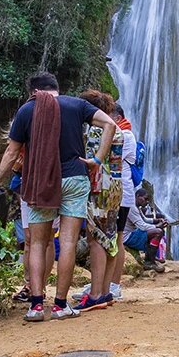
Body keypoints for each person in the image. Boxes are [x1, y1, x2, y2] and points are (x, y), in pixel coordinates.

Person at [0, 71, 117, 322]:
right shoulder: (77, 104)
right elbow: (110, 124)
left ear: (34, 92)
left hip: (41, 180)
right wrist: (97, 160)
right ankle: (60, 305)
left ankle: (36, 305)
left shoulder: (28, 110)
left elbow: (12, 152)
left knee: (37, 242)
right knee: (67, 242)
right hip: (74, 178)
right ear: (57, 88)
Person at [73, 89, 122, 313]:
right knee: (110, 238)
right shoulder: (116, 127)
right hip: (115, 187)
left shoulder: (97, 129)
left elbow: (92, 160)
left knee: (96, 239)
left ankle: (95, 294)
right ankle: (104, 291)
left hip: (99, 187)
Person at [123, 187, 165, 271]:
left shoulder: (135, 207)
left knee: (157, 231)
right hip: (127, 237)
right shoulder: (132, 208)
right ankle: (149, 262)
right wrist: (157, 226)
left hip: (132, 233)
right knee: (158, 232)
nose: (146, 202)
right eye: (145, 199)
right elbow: (142, 226)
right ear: (138, 196)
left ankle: (151, 256)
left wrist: (156, 221)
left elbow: (144, 219)